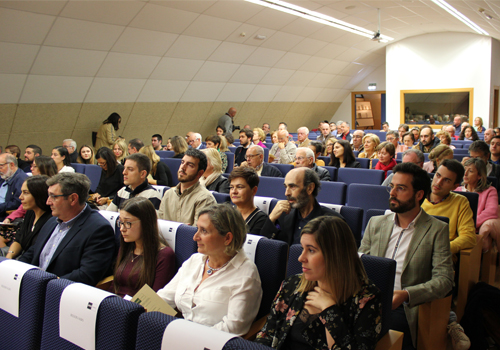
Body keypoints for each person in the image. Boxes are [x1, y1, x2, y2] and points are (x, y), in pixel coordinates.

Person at [360, 162, 454, 350]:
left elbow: (445, 280)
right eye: (392, 187)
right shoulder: (376, 223)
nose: (392, 193)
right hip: (368, 298)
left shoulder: (436, 230)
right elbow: (362, 264)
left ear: (419, 195)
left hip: (405, 307)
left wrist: (406, 294)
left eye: (401, 188)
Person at [257, 215, 382, 349]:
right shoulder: (292, 284)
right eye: (302, 249)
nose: (300, 258)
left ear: (335, 255)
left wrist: (329, 311)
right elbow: (266, 335)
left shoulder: (367, 298)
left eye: (311, 250)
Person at [157, 204, 262, 335]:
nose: (195, 237)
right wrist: (137, 309)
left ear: (227, 238)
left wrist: (188, 338)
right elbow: (165, 297)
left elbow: (234, 328)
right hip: (179, 334)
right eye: (197, 229)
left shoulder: (246, 275)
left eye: (204, 231)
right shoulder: (195, 260)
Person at [19, 173, 116, 286]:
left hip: (59, 292)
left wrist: (45, 284)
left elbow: (86, 274)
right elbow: (33, 252)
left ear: (73, 199)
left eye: (53, 196)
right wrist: (13, 269)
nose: (48, 202)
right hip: (33, 286)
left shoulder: (99, 229)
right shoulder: (51, 221)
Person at [260, 168, 344, 245]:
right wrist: (271, 219)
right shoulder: (283, 214)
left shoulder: (333, 222)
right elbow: (265, 248)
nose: (286, 193)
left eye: (292, 187)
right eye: (286, 187)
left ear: (310, 188)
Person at [112, 197, 175, 297]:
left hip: (138, 309)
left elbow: (154, 299)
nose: (122, 229)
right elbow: (115, 286)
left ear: (146, 223)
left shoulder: (164, 255)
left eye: (128, 223)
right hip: (116, 305)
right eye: (120, 223)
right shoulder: (127, 248)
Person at [421, 159, 476, 256]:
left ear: (455, 187)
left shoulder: (460, 202)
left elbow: (468, 237)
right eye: (438, 175)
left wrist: (441, 249)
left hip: (441, 255)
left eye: (446, 180)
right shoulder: (417, 196)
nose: (438, 182)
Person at [159, 149, 216, 225]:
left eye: (190, 165)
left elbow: (197, 233)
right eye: (182, 162)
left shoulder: (205, 199)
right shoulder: (168, 194)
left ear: (200, 173)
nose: (183, 167)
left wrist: (183, 231)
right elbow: (158, 227)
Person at [3, 175, 52, 259]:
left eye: (25, 193)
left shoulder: (51, 220)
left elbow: (34, 253)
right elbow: (19, 239)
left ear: (39, 195)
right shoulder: (30, 212)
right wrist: (9, 256)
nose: (20, 197)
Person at [458, 158, 500, 252]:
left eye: (471, 171)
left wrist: (470, 224)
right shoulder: (456, 190)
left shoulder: (490, 190)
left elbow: (491, 211)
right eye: (465, 170)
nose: (465, 174)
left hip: (475, 228)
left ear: (480, 175)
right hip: (457, 228)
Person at [228, 167, 272, 236]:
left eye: (239, 187)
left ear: (254, 190)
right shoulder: (226, 212)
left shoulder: (261, 219)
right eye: (231, 187)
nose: (234, 191)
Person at [0, 153, 28, 221]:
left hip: (4, 215)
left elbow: (17, 202)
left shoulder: (21, 179)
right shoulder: (4, 176)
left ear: (11, 165)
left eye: (1, 166)